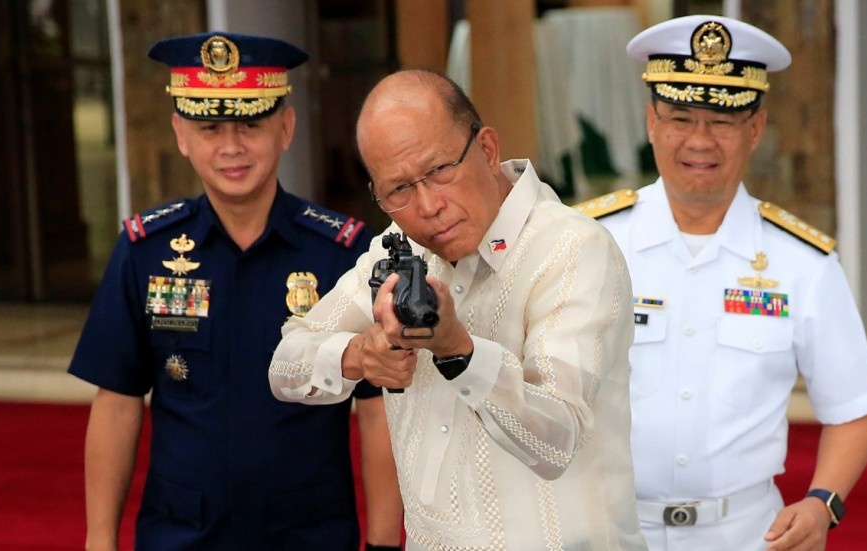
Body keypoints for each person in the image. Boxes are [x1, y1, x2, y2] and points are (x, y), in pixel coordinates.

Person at [268, 69, 648, 550]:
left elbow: (557, 438)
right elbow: (284, 365)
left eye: (439, 171)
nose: (428, 206)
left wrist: (459, 353)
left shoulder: (573, 249)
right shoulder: (397, 246)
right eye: (399, 190)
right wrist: (360, 357)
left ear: (487, 149)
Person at [68, 32, 403, 550]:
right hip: (182, 533)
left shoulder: (342, 254)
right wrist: (98, 541)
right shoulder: (146, 250)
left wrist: (384, 543)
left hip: (308, 532)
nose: (231, 146)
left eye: (251, 123)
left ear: (286, 127)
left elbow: (377, 410)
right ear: (180, 132)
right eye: (209, 127)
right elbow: (117, 401)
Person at [575, 15, 867, 551]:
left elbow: (853, 408)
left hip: (746, 536)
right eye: (680, 117)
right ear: (652, 122)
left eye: (722, 121)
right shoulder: (586, 242)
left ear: (756, 129)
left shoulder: (802, 263)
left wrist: (823, 502)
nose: (700, 141)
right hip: (605, 530)